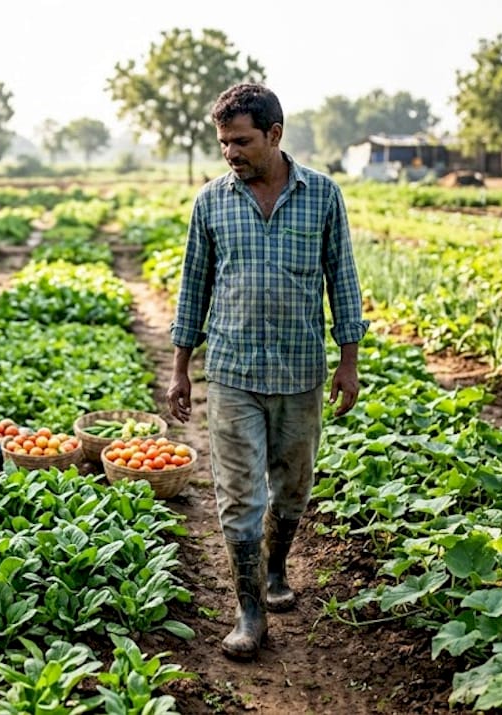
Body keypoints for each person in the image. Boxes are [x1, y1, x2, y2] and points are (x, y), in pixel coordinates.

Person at [165, 83, 368, 660]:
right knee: (238, 496)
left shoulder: (323, 196)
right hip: (231, 372)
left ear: (275, 135)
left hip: (301, 371)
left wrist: (349, 363)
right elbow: (193, 289)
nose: (231, 152)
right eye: (224, 142)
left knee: (293, 489)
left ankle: (276, 569)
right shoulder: (210, 201)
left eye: (242, 141)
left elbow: (343, 282)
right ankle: (249, 611)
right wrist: (181, 368)